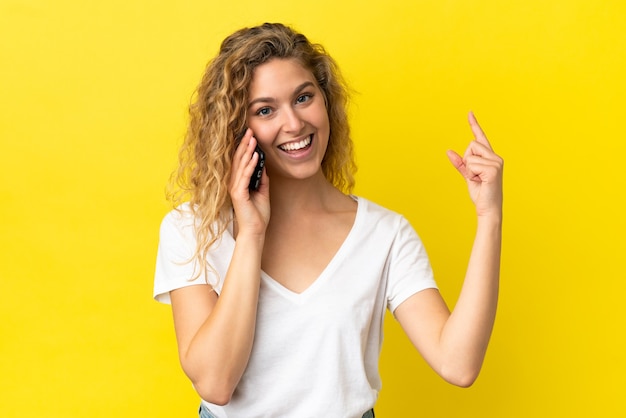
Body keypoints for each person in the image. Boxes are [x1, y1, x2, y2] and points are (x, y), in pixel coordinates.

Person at [153, 22, 503, 418]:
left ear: (326, 100)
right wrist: (251, 232)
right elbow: (215, 384)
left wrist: (488, 216)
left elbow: (457, 364)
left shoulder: (384, 234)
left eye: (303, 98)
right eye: (265, 110)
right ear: (237, 128)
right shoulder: (191, 230)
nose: (294, 124)